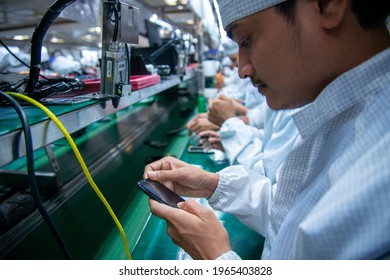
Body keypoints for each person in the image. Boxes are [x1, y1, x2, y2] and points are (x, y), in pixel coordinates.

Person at [143, 0, 390, 259]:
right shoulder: (341, 112)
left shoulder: (378, 167)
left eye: (247, 40)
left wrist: (215, 258)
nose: (241, 70)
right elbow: (293, 218)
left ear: (326, 5)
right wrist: (214, 185)